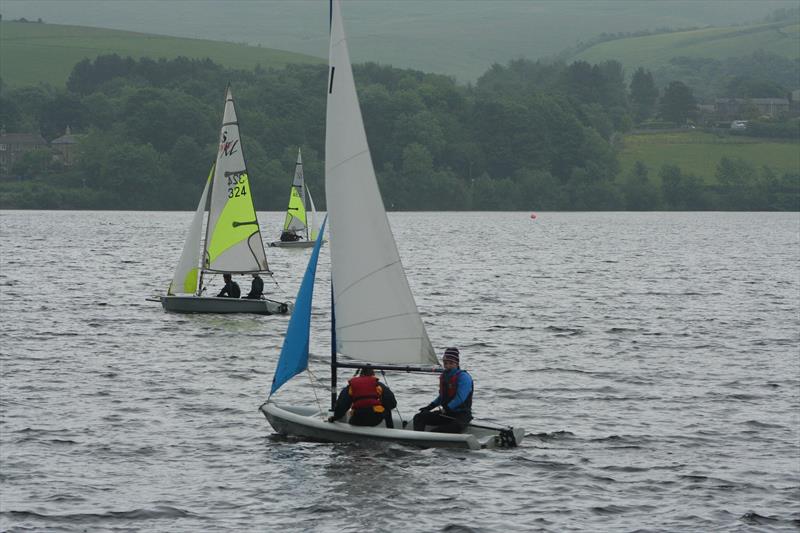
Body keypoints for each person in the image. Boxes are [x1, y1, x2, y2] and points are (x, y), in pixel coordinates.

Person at [412, 347, 473, 433]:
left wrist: (446, 408)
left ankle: (426, 443)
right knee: (419, 417)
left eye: (451, 363)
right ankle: (417, 440)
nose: (447, 366)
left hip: (461, 416)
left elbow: (460, 398)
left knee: (436, 432)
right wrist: (429, 407)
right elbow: (442, 397)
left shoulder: (464, 377)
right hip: (447, 414)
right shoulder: (445, 376)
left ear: (456, 363)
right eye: (445, 363)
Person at [328, 367, 397, 428]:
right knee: (387, 410)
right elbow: (392, 403)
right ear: (373, 375)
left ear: (361, 374)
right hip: (376, 419)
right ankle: (391, 431)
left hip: (358, 419)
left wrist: (334, 418)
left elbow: (341, 405)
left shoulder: (351, 386)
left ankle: (352, 431)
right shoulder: (378, 385)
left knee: (349, 413)